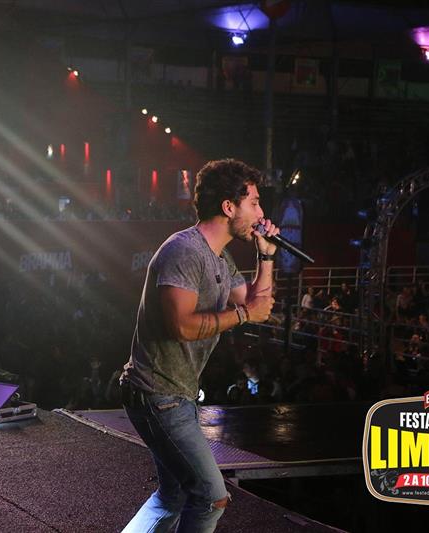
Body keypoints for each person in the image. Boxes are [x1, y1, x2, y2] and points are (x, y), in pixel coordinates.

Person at [119, 159, 278, 532]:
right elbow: (181, 326)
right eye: (254, 203)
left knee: (173, 495)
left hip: (177, 394)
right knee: (211, 497)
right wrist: (244, 314)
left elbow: (259, 305)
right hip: (157, 393)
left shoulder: (219, 258)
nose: (261, 214)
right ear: (229, 207)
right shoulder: (184, 251)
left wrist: (266, 255)